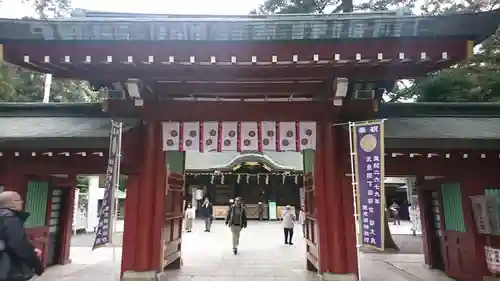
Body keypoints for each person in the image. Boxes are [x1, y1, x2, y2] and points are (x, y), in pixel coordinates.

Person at [0, 191, 44, 281]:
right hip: (10, 271)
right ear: (11, 203)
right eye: (18, 200)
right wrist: (37, 265)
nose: (21, 202)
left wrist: (31, 248)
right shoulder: (11, 221)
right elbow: (19, 246)